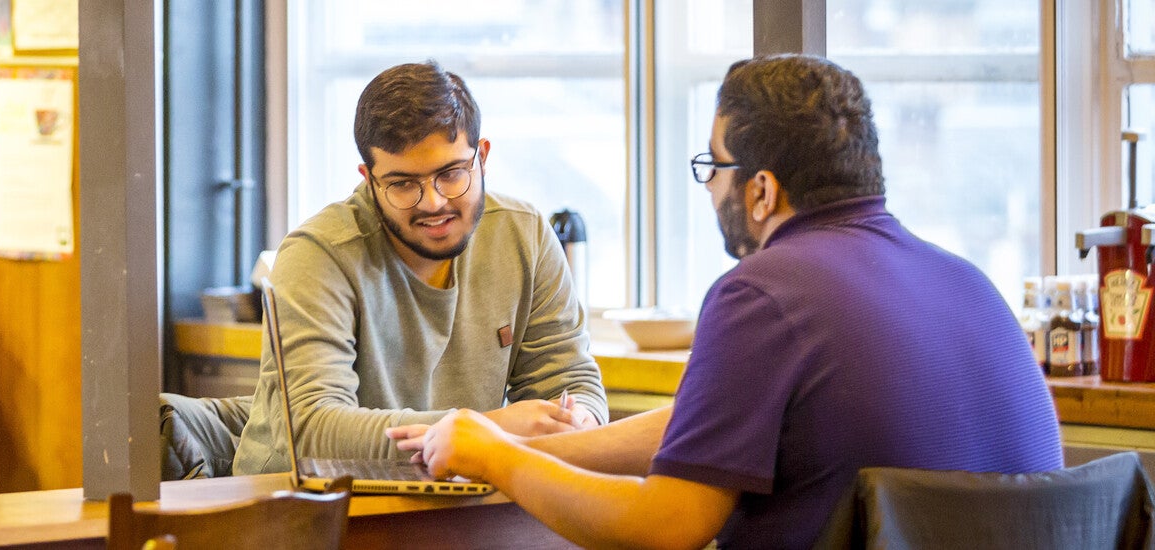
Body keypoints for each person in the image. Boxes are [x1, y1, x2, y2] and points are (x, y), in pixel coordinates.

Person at [392, 54, 1064, 549]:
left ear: (761, 191)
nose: (711, 188)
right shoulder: (971, 285)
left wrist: (495, 458)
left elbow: (664, 528)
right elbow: (706, 428)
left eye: (714, 167)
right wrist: (559, 445)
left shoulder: (764, 294)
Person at [231, 60, 608, 475]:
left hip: (457, 501)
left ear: (481, 157)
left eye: (450, 174)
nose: (433, 202)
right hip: (305, 509)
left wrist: (579, 423)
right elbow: (312, 428)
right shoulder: (318, 254)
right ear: (369, 178)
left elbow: (572, 383)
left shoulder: (526, 234)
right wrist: (483, 430)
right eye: (403, 183)